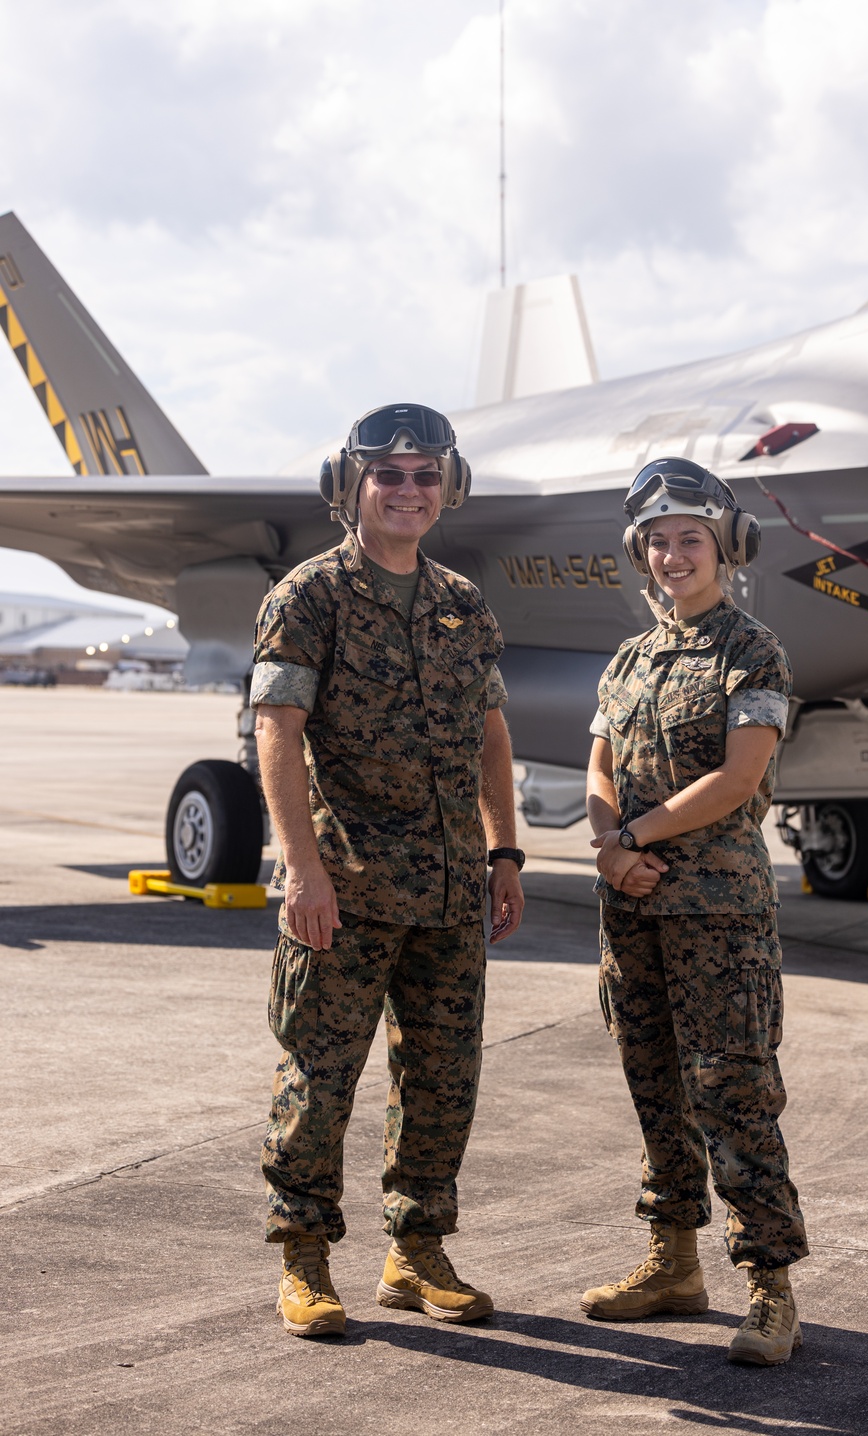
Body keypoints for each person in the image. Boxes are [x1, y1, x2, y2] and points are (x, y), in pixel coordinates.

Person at [251, 403, 525, 1337]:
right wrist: (302, 870)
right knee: (319, 1079)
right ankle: (304, 1258)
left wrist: (504, 850)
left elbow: (492, 734)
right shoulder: (309, 596)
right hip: (349, 888)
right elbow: (275, 732)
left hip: (451, 893)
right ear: (352, 486)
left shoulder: (462, 601)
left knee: (444, 1080)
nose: (410, 489)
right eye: (390, 474)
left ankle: (415, 1250)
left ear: (448, 487)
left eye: (425, 474)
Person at [580, 457, 808, 1366]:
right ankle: (673, 1263)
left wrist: (630, 837)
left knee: (735, 1094)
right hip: (631, 910)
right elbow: (597, 765)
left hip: (717, 914)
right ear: (642, 555)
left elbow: (739, 777)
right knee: (654, 1088)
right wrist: (610, 848)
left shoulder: (750, 649)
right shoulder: (631, 659)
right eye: (659, 543)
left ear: (722, 547)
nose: (674, 557)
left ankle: (770, 1287)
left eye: (690, 540)